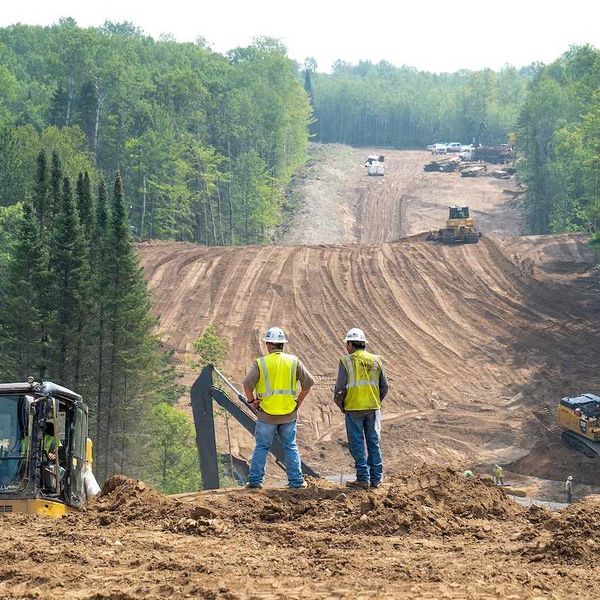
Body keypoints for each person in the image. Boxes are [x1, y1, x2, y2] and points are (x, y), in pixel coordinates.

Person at [243, 327, 314, 489]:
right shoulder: (294, 361)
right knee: (290, 446)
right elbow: (309, 383)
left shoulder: (261, 363)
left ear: (269, 344)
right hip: (288, 413)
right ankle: (296, 481)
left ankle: (255, 482)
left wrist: (252, 401)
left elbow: (247, 384)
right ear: (282, 344)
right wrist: (299, 401)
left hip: (266, 414)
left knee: (262, 446)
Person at [334, 327, 388, 490]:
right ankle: (376, 478)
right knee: (373, 442)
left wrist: (342, 405)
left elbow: (339, 389)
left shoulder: (346, 361)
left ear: (351, 344)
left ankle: (363, 478)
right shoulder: (376, 360)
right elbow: (384, 386)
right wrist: (375, 400)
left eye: (347, 344)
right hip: (372, 407)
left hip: (353, 408)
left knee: (357, 443)